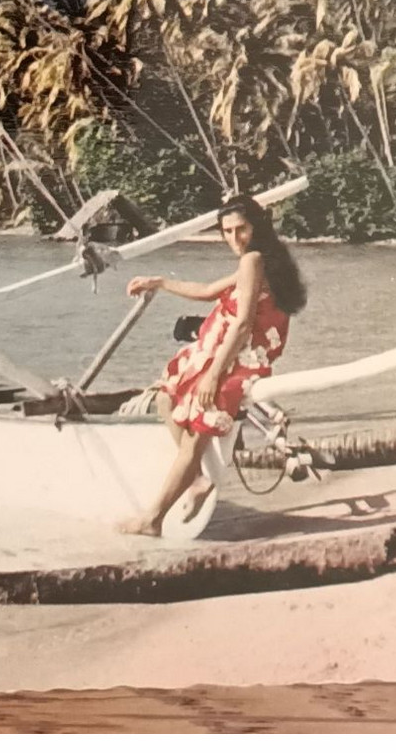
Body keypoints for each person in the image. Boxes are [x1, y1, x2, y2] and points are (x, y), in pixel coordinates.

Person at [118, 195, 307, 536]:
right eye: (227, 232)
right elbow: (206, 291)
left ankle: (153, 520)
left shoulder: (254, 261)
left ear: (256, 227)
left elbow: (243, 324)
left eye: (241, 230)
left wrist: (214, 374)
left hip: (239, 360)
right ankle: (198, 479)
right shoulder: (262, 260)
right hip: (235, 353)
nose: (235, 239)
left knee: (194, 437)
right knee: (165, 396)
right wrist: (159, 282)